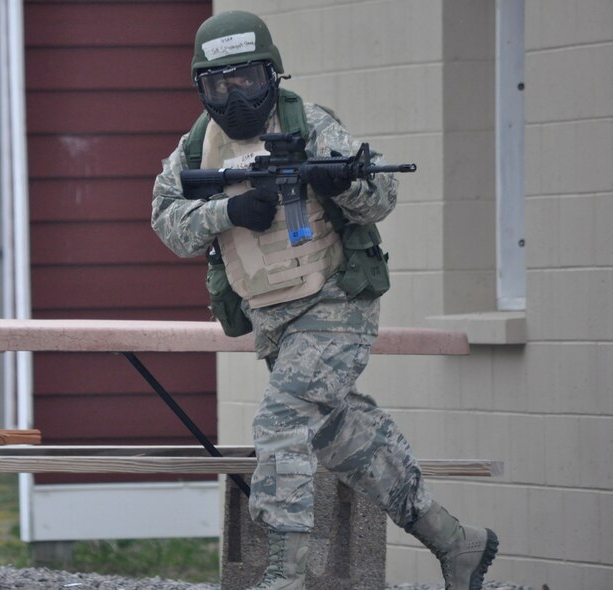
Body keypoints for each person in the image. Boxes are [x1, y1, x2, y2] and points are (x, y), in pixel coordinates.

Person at [151, 10, 498, 590]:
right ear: (202, 88)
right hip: (275, 318)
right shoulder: (197, 149)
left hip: (337, 301)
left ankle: (286, 578)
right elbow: (166, 219)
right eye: (219, 85)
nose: (235, 97)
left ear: (273, 75)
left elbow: (383, 191)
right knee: (345, 437)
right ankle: (456, 541)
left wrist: (348, 183)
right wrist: (229, 210)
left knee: (281, 422)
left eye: (247, 81)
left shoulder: (311, 125)